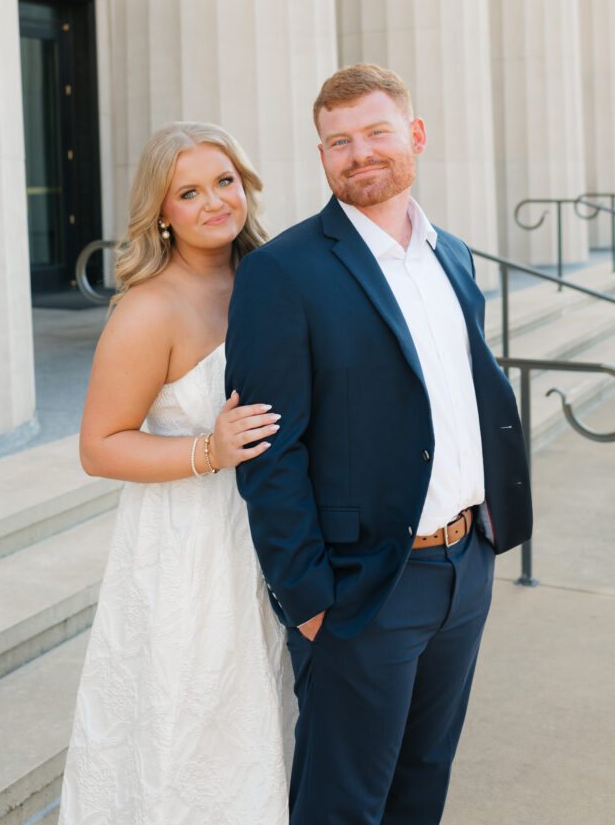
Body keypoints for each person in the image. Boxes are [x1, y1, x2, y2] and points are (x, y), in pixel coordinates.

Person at [226, 63, 533, 824]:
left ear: (414, 137)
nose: (357, 153)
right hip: (363, 589)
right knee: (342, 802)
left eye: (374, 133)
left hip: (464, 567)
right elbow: (271, 452)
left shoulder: (452, 255)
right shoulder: (282, 272)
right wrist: (306, 600)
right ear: (322, 155)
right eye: (337, 142)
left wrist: (487, 537)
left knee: (422, 780)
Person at [59, 122, 295, 825]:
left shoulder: (272, 278)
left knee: (267, 716)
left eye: (223, 182)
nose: (213, 202)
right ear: (161, 211)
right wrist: (207, 452)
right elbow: (99, 446)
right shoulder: (147, 308)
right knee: (190, 724)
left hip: (272, 536)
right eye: (188, 192)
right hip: (188, 548)